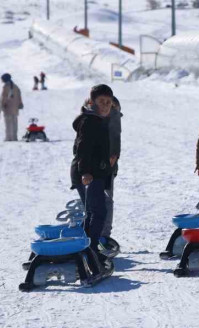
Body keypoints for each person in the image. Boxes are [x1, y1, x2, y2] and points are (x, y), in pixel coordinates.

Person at [70, 85, 115, 269]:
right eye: (101, 102)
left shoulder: (97, 120)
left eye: (109, 103)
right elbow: (83, 148)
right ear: (91, 102)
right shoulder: (89, 121)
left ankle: (85, 249)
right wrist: (86, 172)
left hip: (93, 173)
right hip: (88, 174)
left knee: (93, 212)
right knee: (99, 212)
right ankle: (91, 250)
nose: (105, 106)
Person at [103, 96, 122, 243]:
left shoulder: (114, 118)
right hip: (92, 167)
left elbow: (115, 142)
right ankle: (99, 234)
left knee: (106, 200)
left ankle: (104, 235)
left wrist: (112, 160)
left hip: (106, 167)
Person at [0, 73, 23, 141]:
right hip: (15, 108)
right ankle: (14, 137)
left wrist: (2, 106)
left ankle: (8, 137)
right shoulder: (15, 86)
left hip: (8, 108)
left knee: (8, 123)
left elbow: (4, 98)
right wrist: (20, 104)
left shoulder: (6, 87)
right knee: (14, 123)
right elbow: (19, 96)